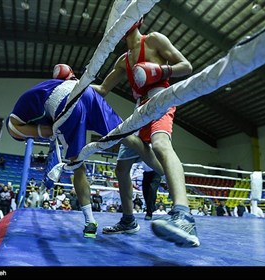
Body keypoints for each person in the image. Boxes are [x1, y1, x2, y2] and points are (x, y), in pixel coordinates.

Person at [6, 64, 162, 238]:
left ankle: (89, 221)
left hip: (62, 102)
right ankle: (167, 173)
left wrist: (45, 132)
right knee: (126, 136)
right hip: (87, 92)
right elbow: (102, 89)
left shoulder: (39, 92)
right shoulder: (75, 81)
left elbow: (12, 126)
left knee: (77, 165)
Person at [91, 18, 200, 247]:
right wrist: (75, 85)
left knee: (160, 145)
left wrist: (161, 70)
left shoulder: (154, 40)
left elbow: (186, 66)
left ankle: (184, 214)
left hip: (160, 98)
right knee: (121, 168)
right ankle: (129, 220)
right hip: (139, 109)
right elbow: (102, 89)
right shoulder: (123, 61)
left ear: (134, 19)